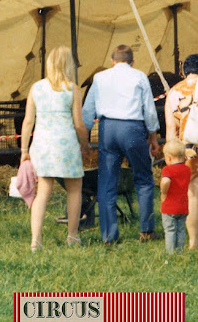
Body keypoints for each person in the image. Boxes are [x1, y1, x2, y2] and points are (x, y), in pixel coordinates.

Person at [82, 45, 160, 246]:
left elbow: (87, 111)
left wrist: (83, 139)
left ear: (112, 61)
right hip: (133, 129)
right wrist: (152, 135)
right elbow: (149, 111)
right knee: (143, 178)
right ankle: (146, 230)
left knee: (106, 182)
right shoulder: (139, 76)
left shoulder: (99, 78)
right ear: (132, 62)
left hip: (107, 129)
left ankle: (109, 237)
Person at [20, 45, 91, 252]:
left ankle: (36, 240)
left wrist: (24, 150)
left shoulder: (36, 88)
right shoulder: (73, 89)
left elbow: (27, 121)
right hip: (66, 145)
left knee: (43, 191)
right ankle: (72, 236)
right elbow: (78, 124)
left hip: (42, 145)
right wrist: (85, 145)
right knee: (74, 189)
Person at [164, 53, 198, 249]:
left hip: (188, 150)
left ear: (184, 71)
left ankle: (193, 241)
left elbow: (171, 129)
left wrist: (171, 157)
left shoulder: (175, 91)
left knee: (193, 195)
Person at [160, 139, 190, 254]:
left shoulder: (167, 170)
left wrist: (163, 193)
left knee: (170, 230)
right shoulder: (187, 170)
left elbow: (165, 181)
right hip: (183, 206)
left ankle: (170, 253)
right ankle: (180, 251)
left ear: (169, 158)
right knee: (181, 229)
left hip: (169, 207)